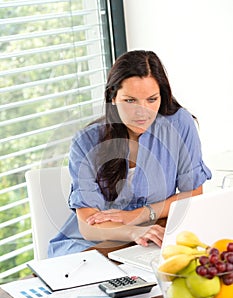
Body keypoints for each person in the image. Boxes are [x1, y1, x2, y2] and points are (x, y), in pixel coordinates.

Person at [48, 50, 212, 258]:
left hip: (153, 238)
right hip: (91, 247)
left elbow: (193, 193)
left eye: (152, 99)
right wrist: (134, 230)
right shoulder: (86, 142)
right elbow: (88, 226)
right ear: (113, 98)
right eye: (130, 101)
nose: (143, 112)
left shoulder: (179, 123)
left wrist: (139, 215)